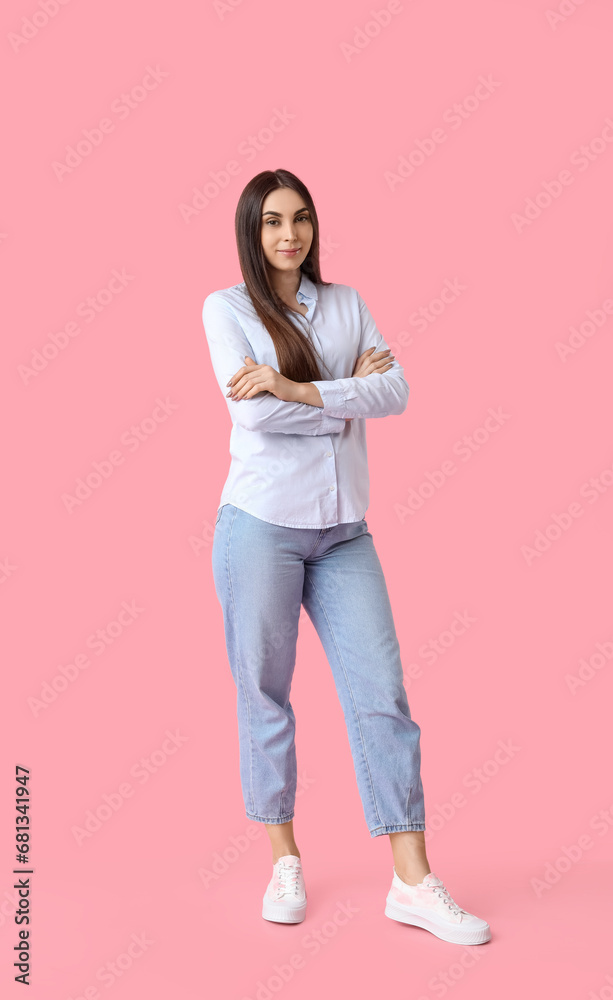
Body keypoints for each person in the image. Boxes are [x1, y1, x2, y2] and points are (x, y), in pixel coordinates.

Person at [202, 168, 491, 945]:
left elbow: (394, 392)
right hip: (260, 524)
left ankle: (412, 881)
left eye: (299, 219)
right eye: (270, 223)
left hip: (342, 532)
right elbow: (250, 415)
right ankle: (283, 856)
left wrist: (299, 392)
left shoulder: (346, 304)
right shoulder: (226, 310)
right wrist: (339, 397)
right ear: (249, 232)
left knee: (382, 696)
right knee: (264, 692)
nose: (288, 235)